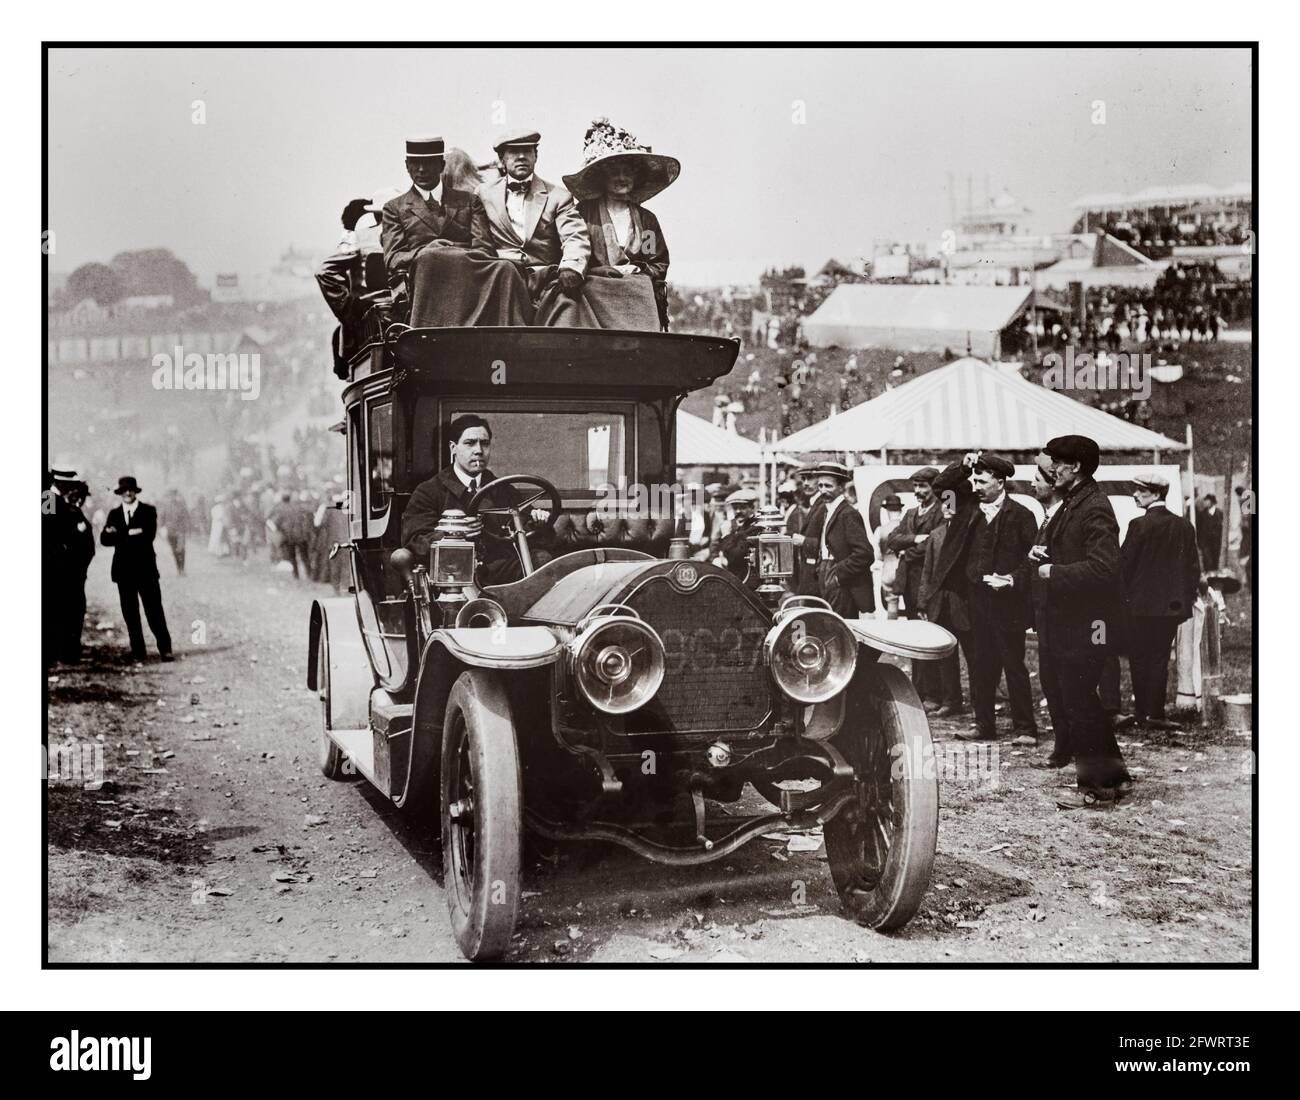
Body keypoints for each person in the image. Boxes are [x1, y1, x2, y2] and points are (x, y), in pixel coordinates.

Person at [1035, 436, 1131, 808]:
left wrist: (1052, 572)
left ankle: (1095, 789)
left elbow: (1105, 567)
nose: (1051, 469)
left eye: (1057, 463)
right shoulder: (1078, 502)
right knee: (1084, 699)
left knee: (1078, 702)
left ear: (1074, 467)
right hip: (1076, 622)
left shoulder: (1094, 507)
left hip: (1088, 624)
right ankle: (1116, 778)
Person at [381, 136, 532, 328]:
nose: (421, 169)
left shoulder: (469, 201)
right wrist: (427, 251)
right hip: (424, 277)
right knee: (430, 259)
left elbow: (484, 248)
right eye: (415, 163)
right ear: (406, 165)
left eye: (428, 163)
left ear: (441, 165)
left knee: (506, 269)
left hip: (469, 274)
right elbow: (393, 258)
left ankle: (510, 340)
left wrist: (451, 251)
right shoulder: (394, 208)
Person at [401, 414, 553, 586]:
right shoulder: (429, 491)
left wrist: (537, 522)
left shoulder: (503, 489)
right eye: (470, 443)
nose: (479, 450)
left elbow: (526, 530)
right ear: (453, 448)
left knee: (541, 560)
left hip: (499, 574)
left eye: (485, 443)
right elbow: (415, 543)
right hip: (452, 575)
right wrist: (454, 534)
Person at [562, 117, 676, 330]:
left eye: (627, 172)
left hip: (634, 294)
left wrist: (636, 271)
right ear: (602, 177)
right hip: (594, 294)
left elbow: (656, 262)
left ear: (636, 177)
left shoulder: (646, 221)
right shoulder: (584, 214)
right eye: (614, 172)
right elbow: (571, 250)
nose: (621, 178)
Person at [957, 454, 1038, 745]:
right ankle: (983, 725)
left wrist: (1012, 579)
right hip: (977, 601)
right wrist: (965, 465)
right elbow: (944, 484)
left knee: (1013, 664)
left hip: (1008, 603)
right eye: (974, 480)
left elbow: (1034, 560)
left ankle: (1025, 729)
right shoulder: (970, 511)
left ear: (1000, 482)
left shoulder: (1021, 515)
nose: (976, 486)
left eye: (982, 480)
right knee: (981, 665)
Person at [473, 129, 592, 323]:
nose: (521, 157)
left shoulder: (559, 196)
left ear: (536, 156)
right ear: (502, 158)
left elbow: (574, 235)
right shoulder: (483, 193)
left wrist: (571, 266)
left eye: (527, 151)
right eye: (513, 152)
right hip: (501, 278)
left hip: (545, 279)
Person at [1122, 472, 1201, 730]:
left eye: (1140, 490)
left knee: (1139, 657)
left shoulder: (1139, 525)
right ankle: (1155, 713)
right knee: (1159, 658)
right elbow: (1192, 569)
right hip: (1171, 609)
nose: (1135, 494)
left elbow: (1125, 567)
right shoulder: (1184, 526)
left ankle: (1142, 712)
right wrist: (1183, 599)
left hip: (1139, 607)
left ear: (1156, 494)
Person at [882, 467, 943, 705]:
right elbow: (892, 540)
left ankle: (937, 694)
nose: (918, 491)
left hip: (928, 582)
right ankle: (921, 690)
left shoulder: (941, 513)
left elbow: (935, 544)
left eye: (923, 486)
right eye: (915, 486)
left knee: (931, 636)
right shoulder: (910, 513)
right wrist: (915, 539)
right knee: (916, 637)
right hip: (909, 583)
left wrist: (910, 548)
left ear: (934, 487)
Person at [100, 476, 173, 663]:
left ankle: (165, 649)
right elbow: (104, 539)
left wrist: (119, 534)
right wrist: (131, 534)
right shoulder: (114, 514)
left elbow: (148, 536)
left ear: (135, 491)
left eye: (130, 490)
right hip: (123, 572)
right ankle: (138, 651)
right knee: (130, 613)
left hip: (145, 570)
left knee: (154, 609)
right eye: (124, 490)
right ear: (120, 493)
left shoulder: (148, 511)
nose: (127, 493)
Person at [1028, 454, 1070, 766]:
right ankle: (1064, 744)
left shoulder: (1062, 515)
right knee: (1049, 680)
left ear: (1052, 484)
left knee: (1063, 682)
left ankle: (1067, 746)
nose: (1032, 484)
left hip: (1061, 613)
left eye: (1037, 480)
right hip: (1046, 612)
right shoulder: (1047, 516)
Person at [793, 463, 874, 618]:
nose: (823, 490)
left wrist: (838, 575)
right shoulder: (828, 511)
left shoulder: (848, 514)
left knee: (837, 628)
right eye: (821, 485)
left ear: (841, 487)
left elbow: (865, 554)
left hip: (840, 581)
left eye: (828, 486)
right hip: (824, 573)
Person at [916, 488, 966, 716]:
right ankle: (938, 698)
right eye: (945, 503)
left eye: (952, 503)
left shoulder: (967, 532)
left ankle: (956, 700)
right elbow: (927, 572)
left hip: (961, 603)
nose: (948, 508)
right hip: (937, 603)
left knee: (969, 657)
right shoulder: (936, 534)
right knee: (939, 653)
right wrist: (922, 603)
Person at [44, 466, 96, 665]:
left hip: (63, 567)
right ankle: (58, 653)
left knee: (63, 610)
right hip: (58, 567)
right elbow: (49, 533)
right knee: (58, 610)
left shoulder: (57, 501)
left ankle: (62, 652)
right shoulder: (49, 498)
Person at [715, 487, 760, 581]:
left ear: (752, 508)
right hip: (732, 575)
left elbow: (735, 556)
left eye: (743, 508)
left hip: (746, 579)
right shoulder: (732, 524)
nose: (738, 511)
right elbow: (716, 547)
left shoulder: (755, 527)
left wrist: (726, 535)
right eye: (735, 508)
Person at [268, 490, 312, 580]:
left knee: (293, 557)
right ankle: (309, 574)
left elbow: (273, 523)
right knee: (304, 556)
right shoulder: (297, 507)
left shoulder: (281, 509)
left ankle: (296, 575)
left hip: (289, 536)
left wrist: (279, 530)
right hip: (301, 534)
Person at [160, 488, 191, 576]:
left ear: (176, 496)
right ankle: (179, 569)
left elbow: (186, 517)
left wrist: (186, 529)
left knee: (181, 549)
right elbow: (161, 517)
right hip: (170, 532)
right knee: (174, 551)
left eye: (174, 495)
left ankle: (182, 568)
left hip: (180, 531)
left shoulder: (181, 505)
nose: (172, 497)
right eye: (170, 496)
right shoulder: (165, 506)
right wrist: (162, 527)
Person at [1196, 492, 1223, 571]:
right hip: (1205, 543)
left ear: (1212, 502)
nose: (1205, 503)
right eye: (1205, 501)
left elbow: (1222, 528)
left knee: (1215, 561)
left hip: (1216, 543)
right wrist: (1200, 542)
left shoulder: (1220, 513)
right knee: (1207, 562)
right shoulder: (1201, 514)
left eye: (1207, 500)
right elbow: (1198, 529)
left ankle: (1214, 578)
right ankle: (1208, 579)